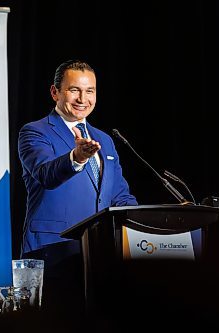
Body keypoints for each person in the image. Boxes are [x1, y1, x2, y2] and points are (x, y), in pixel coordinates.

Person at [17, 59, 138, 316]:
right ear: (55, 92)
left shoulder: (104, 139)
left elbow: (119, 195)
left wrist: (148, 224)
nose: (83, 98)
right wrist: (77, 158)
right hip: (53, 251)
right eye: (74, 90)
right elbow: (45, 174)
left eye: (90, 91)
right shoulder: (35, 132)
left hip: (100, 254)